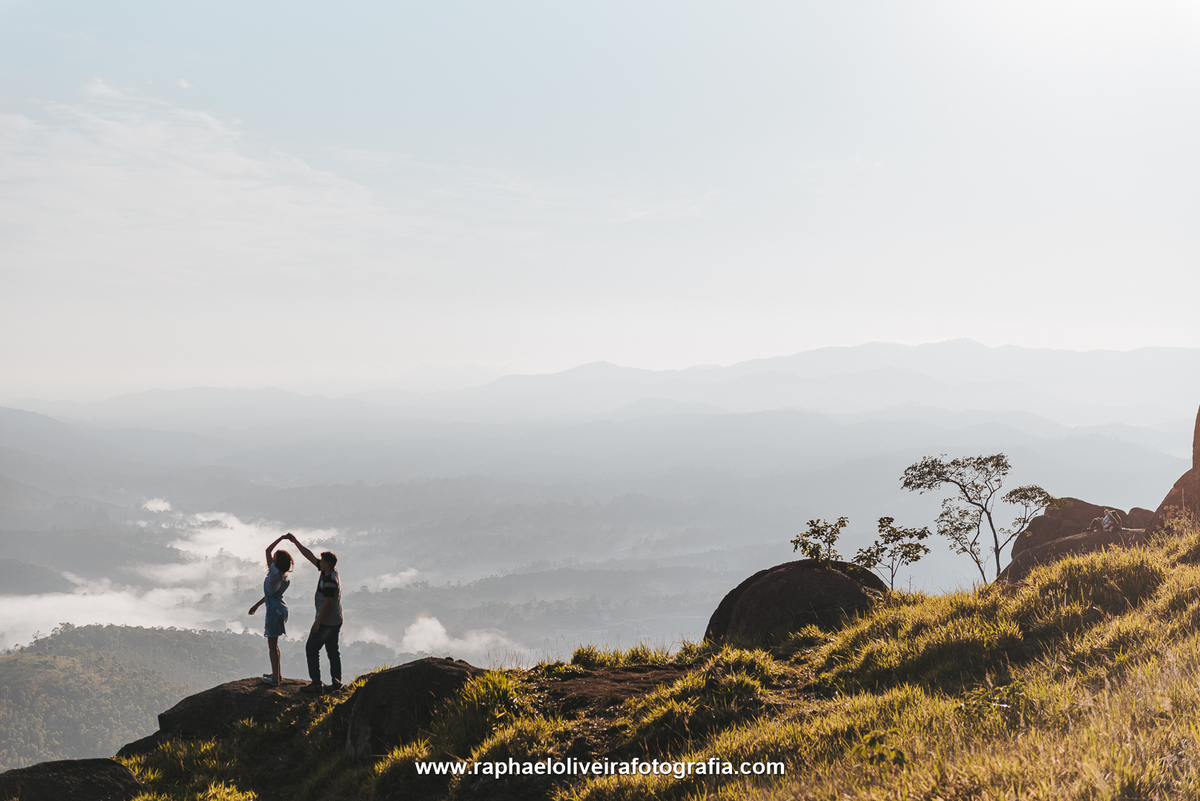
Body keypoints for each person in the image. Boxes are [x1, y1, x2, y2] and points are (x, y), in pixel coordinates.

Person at [283, 532, 343, 694]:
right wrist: (295, 541)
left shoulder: (330, 581)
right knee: (333, 651)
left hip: (326, 621)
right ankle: (336, 683)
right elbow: (310, 556)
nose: (319, 562)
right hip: (336, 619)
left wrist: (317, 623)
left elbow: (327, 604)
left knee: (311, 648)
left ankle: (316, 684)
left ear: (327, 564)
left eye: (322, 561)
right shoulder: (329, 572)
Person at [247, 534, 293, 686]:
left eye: (275, 557)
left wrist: (281, 538)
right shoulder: (284, 577)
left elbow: (267, 550)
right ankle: (277, 674)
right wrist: (256, 605)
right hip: (281, 609)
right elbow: (270, 595)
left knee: (272, 646)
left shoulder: (274, 573)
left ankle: (275, 679)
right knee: (275, 645)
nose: (272, 558)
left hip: (274, 612)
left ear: (277, 562)